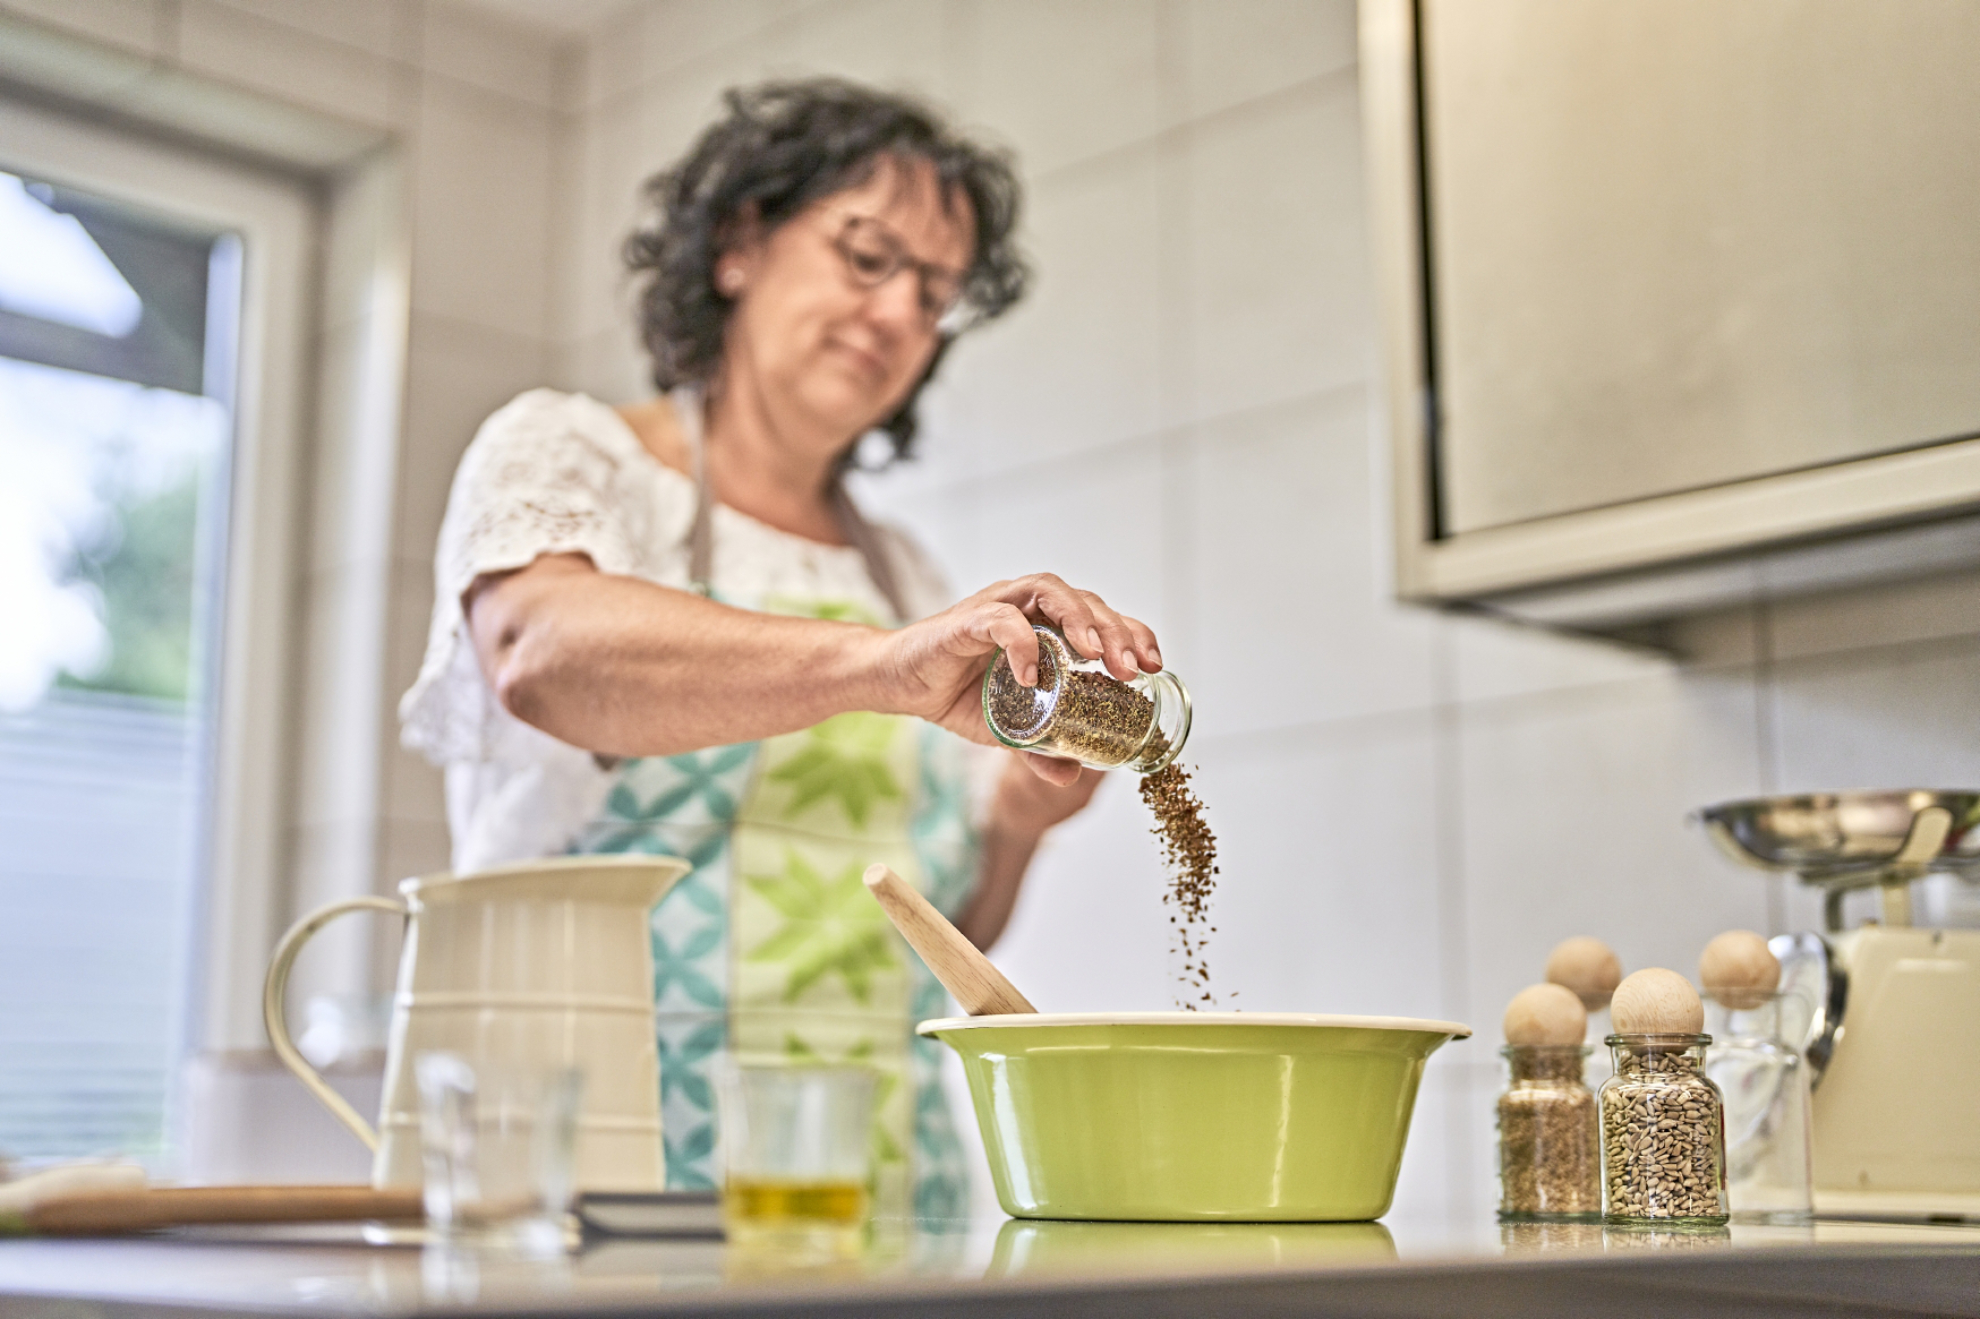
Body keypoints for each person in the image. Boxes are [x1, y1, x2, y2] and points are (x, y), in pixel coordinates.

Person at [400, 79, 1166, 1216]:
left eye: (934, 291)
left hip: (886, 1191)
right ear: (738, 245)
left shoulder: (897, 570)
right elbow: (541, 654)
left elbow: (940, 934)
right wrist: (876, 665)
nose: (902, 311)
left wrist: (1014, 822)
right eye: (868, 256)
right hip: (603, 1179)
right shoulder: (572, 458)